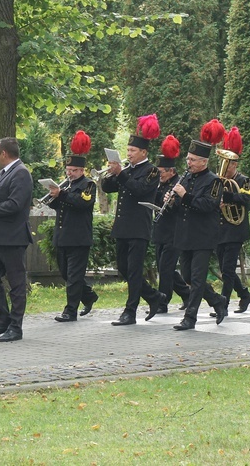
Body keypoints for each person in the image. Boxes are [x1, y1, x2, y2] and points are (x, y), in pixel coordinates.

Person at [101, 114, 166, 326]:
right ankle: (154, 296)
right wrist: (111, 173)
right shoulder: (127, 170)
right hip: (123, 227)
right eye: (127, 150)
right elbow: (108, 188)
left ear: (144, 152)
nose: (129, 154)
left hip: (138, 227)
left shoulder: (152, 171)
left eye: (132, 151)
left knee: (135, 269)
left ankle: (130, 312)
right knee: (123, 268)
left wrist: (121, 174)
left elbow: (139, 190)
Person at [168, 119, 228, 330]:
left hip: (203, 236)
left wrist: (184, 197)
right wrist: (172, 200)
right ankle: (217, 301)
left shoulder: (214, 181)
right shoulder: (185, 179)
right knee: (187, 276)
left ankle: (190, 317)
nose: (189, 163)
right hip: (185, 235)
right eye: (188, 159)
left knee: (197, 276)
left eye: (193, 160)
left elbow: (208, 205)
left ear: (203, 161)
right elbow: (181, 206)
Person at [0, 137, 33, 342]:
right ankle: (2, 320)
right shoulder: (4, 173)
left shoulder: (21, 173)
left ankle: (15, 327)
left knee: (16, 282)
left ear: (3, 153)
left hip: (12, 237)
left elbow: (16, 204)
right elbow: (1, 201)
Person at [49, 130, 99, 322]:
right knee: (66, 274)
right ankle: (89, 296)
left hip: (78, 239)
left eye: (73, 171)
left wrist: (61, 194)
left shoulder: (88, 185)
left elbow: (82, 203)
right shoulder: (67, 187)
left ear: (81, 170)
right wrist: (53, 196)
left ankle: (70, 311)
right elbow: (57, 206)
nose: (69, 173)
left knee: (74, 276)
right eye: (68, 170)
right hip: (62, 237)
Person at [216, 127, 250, 314]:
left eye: (228, 164)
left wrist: (227, 196)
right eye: (224, 163)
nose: (225, 167)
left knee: (228, 269)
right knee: (226, 271)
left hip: (235, 229)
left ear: (234, 165)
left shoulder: (243, 180)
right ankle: (245, 295)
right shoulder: (218, 180)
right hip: (220, 229)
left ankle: (222, 304)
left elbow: (247, 200)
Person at [151, 134, 190, 313]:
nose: (159, 175)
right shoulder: (159, 184)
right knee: (163, 267)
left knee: (166, 270)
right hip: (161, 231)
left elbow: (182, 207)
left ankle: (162, 302)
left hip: (174, 233)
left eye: (162, 172)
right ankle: (187, 294)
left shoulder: (179, 184)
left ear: (171, 171)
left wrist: (173, 200)